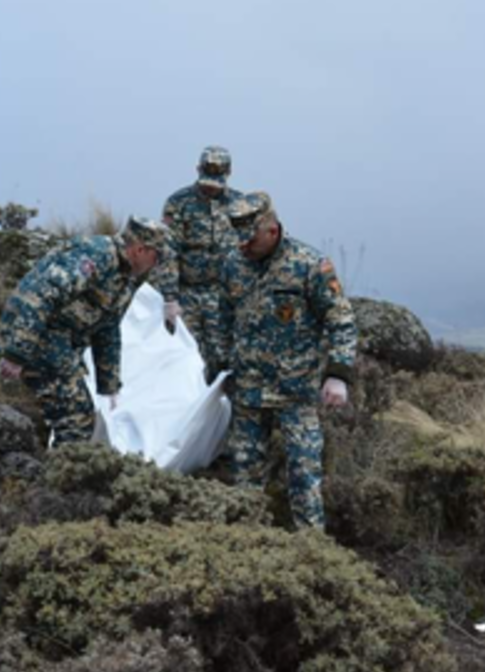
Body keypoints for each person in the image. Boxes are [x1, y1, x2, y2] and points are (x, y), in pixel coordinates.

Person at [219, 192, 356, 529]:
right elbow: (224, 319)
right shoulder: (233, 264)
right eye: (237, 239)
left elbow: (341, 320)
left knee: (304, 478)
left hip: (295, 392)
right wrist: (219, 367)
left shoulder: (309, 264)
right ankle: (247, 551)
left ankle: (312, 555)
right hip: (248, 393)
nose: (242, 247)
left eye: (249, 239)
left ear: (271, 229)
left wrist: (337, 374)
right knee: (244, 479)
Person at [0, 216, 170, 446]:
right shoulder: (96, 256)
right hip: (37, 333)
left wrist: (109, 387)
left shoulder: (124, 277)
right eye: (156, 256)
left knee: (78, 415)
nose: (156, 264)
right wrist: (16, 354)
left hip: (58, 341)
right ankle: (62, 478)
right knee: (76, 417)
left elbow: (107, 329)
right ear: (139, 249)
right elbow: (41, 295)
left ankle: (60, 472)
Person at [150, 145, 244, 380]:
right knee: (186, 357)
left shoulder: (240, 205)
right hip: (187, 295)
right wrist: (170, 298)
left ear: (229, 172)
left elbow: (249, 251)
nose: (210, 190)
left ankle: (224, 414)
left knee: (224, 359)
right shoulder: (179, 202)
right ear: (197, 170)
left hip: (224, 297)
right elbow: (168, 251)